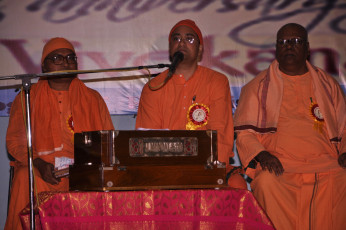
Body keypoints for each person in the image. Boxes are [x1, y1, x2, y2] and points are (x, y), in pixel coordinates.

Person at [234, 23, 346, 230]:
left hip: (326, 162)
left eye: (295, 41)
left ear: (307, 48)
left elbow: (345, 126)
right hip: (281, 165)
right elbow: (244, 133)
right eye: (283, 42)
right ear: (276, 49)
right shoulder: (257, 87)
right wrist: (263, 155)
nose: (289, 46)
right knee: (266, 183)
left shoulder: (328, 85)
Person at [5, 37, 114, 230]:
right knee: (24, 176)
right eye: (57, 58)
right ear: (44, 66)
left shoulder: (93, 98)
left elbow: (108, 141)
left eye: (71, 57)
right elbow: (15, 142)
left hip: (82, 171)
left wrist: (85, 167)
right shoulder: (27, 97)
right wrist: (38, 163)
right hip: (41, 168)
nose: (65, 62)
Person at [136, 19, 246, 189]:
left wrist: (205, 170)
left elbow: (221, 136)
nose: (182, 43)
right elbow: (148, 143)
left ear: (200, 49)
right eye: (176, 38)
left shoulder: (216, 82)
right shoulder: (154, 87)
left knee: (237, 185)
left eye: (190, 38)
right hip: (165, 169)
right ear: (170, 48)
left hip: (208, 167)